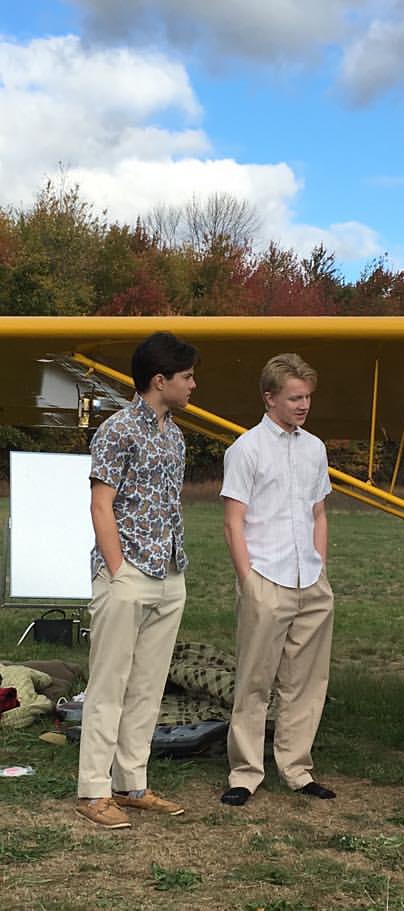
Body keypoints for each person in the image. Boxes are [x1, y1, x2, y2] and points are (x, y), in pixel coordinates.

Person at [76, 331, 198, 829]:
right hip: (127, 574)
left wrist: (172, 571)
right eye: (187, 376)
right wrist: (118, 569)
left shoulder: (176, 435)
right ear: (159, 380)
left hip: (170, 574)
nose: (194, 384)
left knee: (148, 686)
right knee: (110, 684)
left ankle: (132, 784)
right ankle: (92, 792)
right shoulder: (116, 430)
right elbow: (100, 503)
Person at [219, 353, 336, 807]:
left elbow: (319, 512)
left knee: (307, 681)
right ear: (270, 398)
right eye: (294, 398)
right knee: (254, 680)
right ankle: (245, 773)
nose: (303, 405)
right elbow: (233, 522)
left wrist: (319, 565)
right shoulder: (245, 449)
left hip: (310, 579)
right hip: (265, 576)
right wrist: (248, 580)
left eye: (307, 397)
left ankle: (297, 769)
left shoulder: (315, 448)